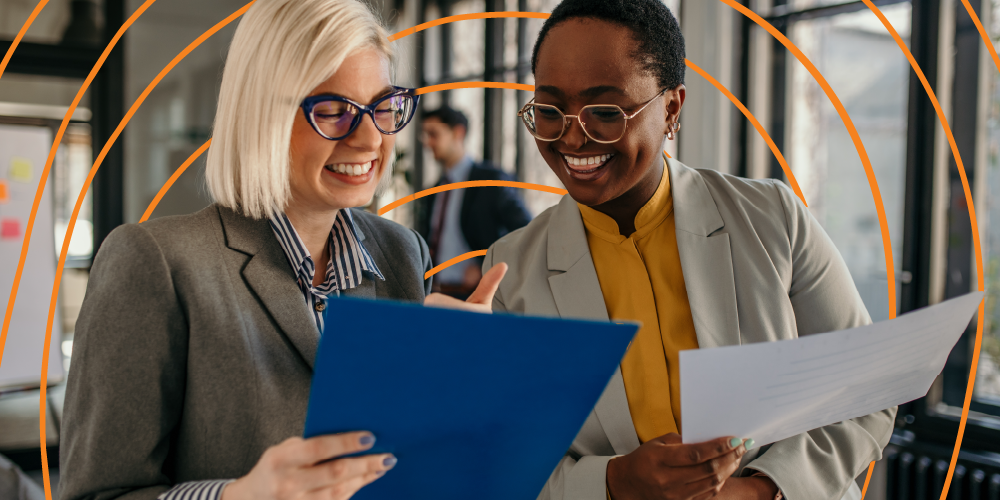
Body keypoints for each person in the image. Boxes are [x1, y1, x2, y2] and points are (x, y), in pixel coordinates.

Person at [58, 1, 503, 500]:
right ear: (261, 116)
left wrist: (468, 380)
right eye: (334, 111)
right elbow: (97, 493)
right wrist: (239, 496)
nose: (370, 138)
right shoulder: (155, 263)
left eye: (383, 107)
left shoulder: (403, 254)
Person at [482, 1, 895, 499]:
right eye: (550, 110)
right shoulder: (512, 275)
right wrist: (615, 482)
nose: (572, 135)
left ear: (671, 108)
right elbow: (508, 461)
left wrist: (765, 488)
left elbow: (862, 392)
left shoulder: (771, 219)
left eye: (606, 112)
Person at [416, 106, 532, 299]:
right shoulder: (433, 191)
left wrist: (485, 266)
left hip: (476, 295)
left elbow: (526, 232)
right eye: (425, 135)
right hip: (435, 293)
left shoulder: (491, 181)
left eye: (433, 134)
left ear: (458, 133)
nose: (427, 142)